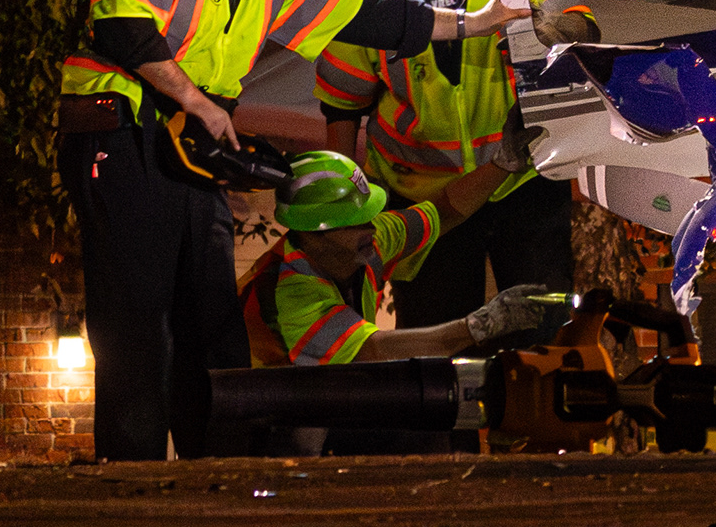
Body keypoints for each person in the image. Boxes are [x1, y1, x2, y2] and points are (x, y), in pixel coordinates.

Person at [63, 0, 522, 461]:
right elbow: (123, 23)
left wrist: (475, 23)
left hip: (189, 152)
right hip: (120, 135)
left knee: (212, 327)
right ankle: (129, 486)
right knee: (136, 325)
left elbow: (368, 14)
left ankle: (217, 480)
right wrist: (197, 101)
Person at [315, 0, 583, 341]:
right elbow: (342, 95)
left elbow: (573, 12)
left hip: (520, 178)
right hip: (422, 199)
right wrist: (342, 198)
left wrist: (560, 23)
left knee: (545, 341)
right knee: (435, 357)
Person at [239, 150, 568, 371]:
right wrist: (480, 325)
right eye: (357, 221)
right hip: (258, 409)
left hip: (315, 385)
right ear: (315, 233)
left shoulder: (367, 241)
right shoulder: (290, 293)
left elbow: (445, 211)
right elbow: (376, 350)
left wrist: (502, 163)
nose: (372, 227)